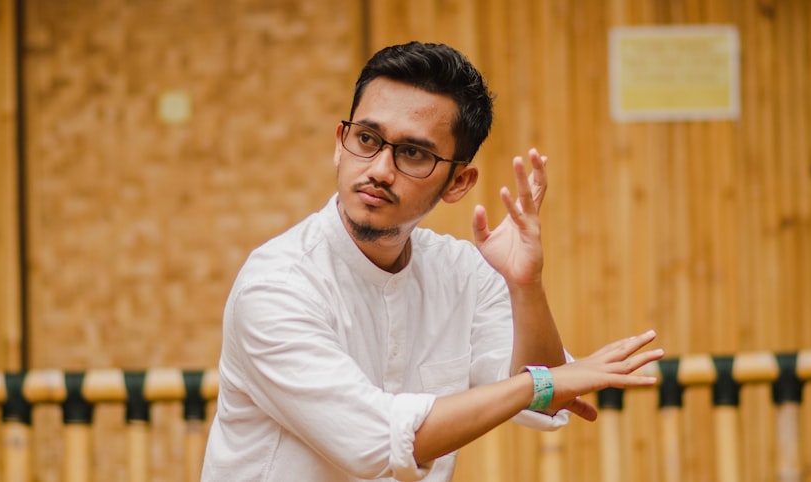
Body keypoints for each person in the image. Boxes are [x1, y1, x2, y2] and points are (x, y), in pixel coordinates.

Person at [200, 41, 662, 482]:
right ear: (340, 142)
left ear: (458, 182)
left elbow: (547, 405)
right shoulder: (277, 284)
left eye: (413, 153)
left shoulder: (462, 271)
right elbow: (376, 443)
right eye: (367, 139)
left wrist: (526, 287)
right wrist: (540, 385)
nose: (379, 170)